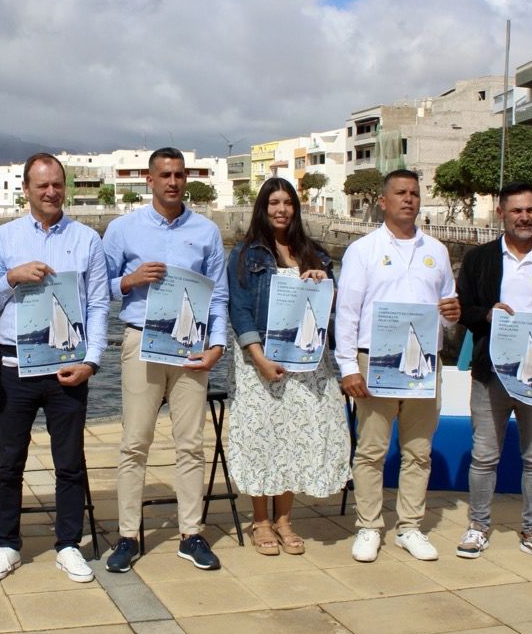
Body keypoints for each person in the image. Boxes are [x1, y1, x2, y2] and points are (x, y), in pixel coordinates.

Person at [0, 153, 109, 584]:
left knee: (69, 461)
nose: (51, 192)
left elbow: (99, 305)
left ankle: (69, 544)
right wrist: (12, 277)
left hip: (67, 367)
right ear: (27, 189)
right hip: (13, 365)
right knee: (8, 461)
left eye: (57, 184)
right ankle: (6, 544)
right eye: (42, 185)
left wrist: (92, 360)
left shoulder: (87, 239)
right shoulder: (2, 238)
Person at [101, 147, 229, 572]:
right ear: (150, 181)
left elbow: (219, 295)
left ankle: (191, 533)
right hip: (142, 341)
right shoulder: (123, 230)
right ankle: (127, 535)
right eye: (165, 175)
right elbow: (98, 289)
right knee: (135, 442)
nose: (173, 182)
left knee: (191, 443)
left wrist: (217, 345)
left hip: (192, 346)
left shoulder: (207, 232)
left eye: (179, 175)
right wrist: (130, 280)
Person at [334, 169, 460, 563]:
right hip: (375, 361)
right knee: (371, 450)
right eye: (401, 193)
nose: (409, 199)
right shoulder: (363, 250)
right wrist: (348, 366)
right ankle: (369, 525)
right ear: (383, 202)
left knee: (418, 450)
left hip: (424, 363)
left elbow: (447, 308)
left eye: (415, 193)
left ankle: (410, 527)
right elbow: (347, 312)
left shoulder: (437, 251)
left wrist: (452, 315)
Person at [455, 182, 532, 564]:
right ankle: (478, 525)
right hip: (492, 373)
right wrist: (487, 313)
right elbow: (462, 308)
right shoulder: (480, 260)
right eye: (516, 211)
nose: (524, 217)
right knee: (484, 455)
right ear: (501, 214)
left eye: (530, 210)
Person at [226, 178, 351, 556]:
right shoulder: (246, 254)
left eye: (287, 203)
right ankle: (260, 520)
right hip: (258, 360)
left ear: (295, 208)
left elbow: (333, 306)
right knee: (262, 435)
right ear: (262, 209)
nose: (281, 210)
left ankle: (284, 518)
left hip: (307, 362)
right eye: (273, 203)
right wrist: (259, 358)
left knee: (295, 436)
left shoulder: (315, 253)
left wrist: (322, 281)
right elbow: (239, 307)